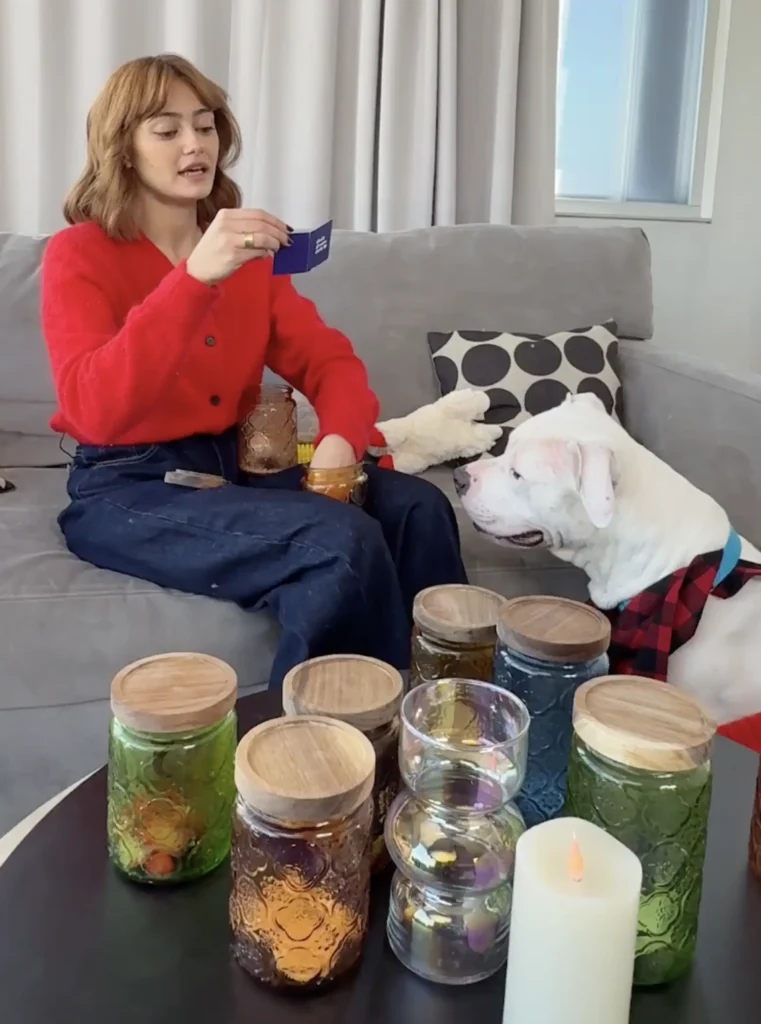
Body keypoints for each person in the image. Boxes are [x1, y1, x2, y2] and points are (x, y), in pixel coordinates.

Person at [41, 53, 467, 686]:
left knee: (421, 510)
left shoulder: (249, 258)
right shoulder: (78, 253)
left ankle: (447, 710)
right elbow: (94, 409)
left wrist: (341, 439)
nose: (195, 144)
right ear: (123, 149)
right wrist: (193, 279)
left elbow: (328, 360)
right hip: (127, 485)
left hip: (232, 469)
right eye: (167, 130)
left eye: (205, 125)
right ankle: (324, 740)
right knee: (337, 542)